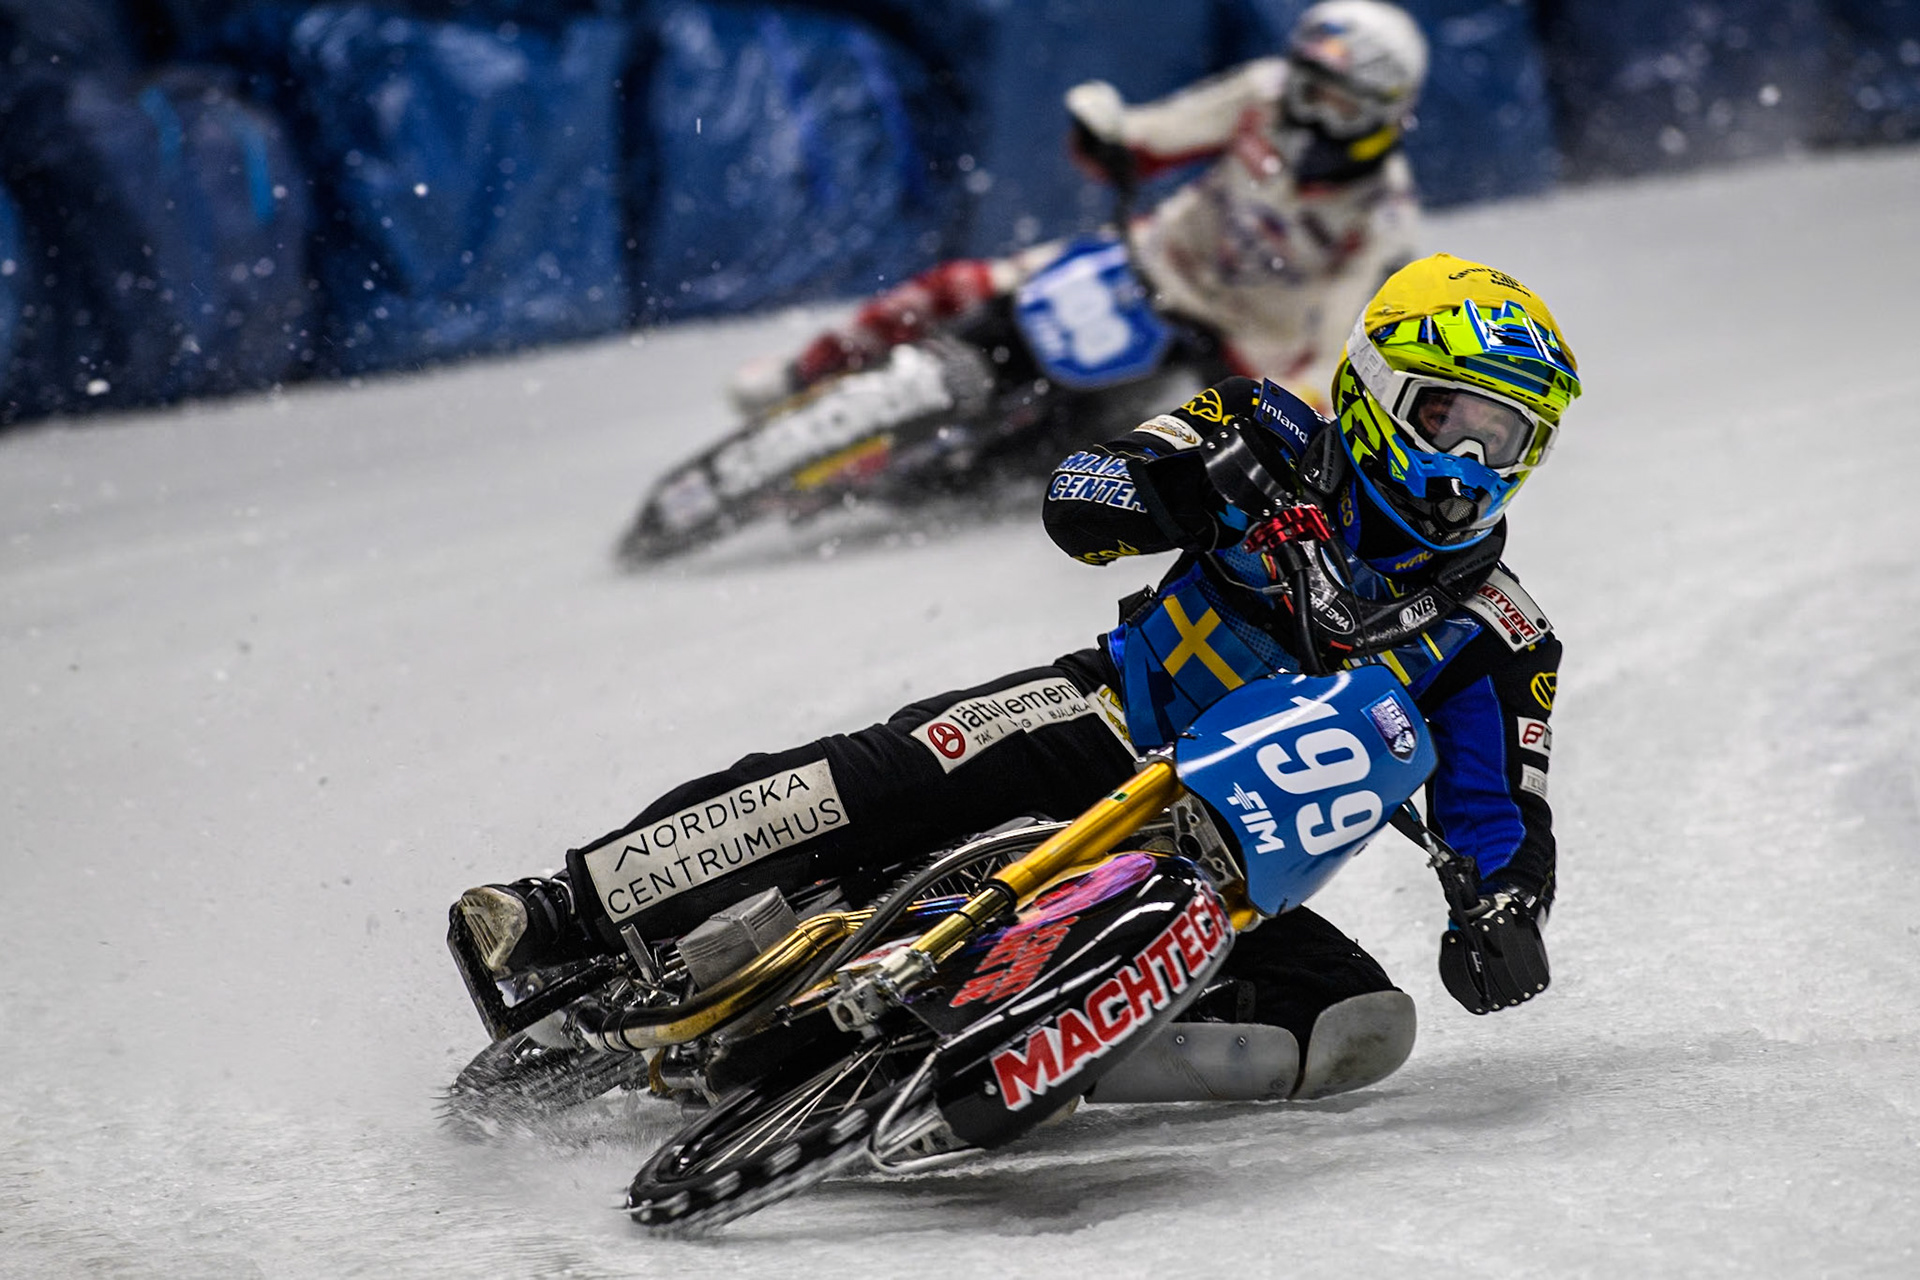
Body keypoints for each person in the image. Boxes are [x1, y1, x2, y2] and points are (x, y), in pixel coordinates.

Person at [458, 251, 1579, 1103]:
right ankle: (566, 906)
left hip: (1227, 864)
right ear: (1383, 384)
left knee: (1356, 1027)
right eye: (1457, 421)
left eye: (1510, 439)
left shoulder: (1500, 628)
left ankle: (986, 1064)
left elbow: (1495, 808)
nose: (1474, 464)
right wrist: (1189, 493)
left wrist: (1504, 905)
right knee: (874, 778)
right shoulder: (1262, 423)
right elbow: (1081, 496)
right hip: (1104, 720)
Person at [726, 0, 1429, 419]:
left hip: (1236, 349)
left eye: (1332, 101)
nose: (1303, 111)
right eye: (1307, 86)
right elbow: (1153, 136)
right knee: (962, 287)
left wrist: (1289, 405)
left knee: (1150, 448)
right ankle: (805, 374)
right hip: (1150, 258)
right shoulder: (1265, 90)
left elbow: (1339, 356)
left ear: (1381, 114)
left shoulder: (1384, 222)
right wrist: (1108, 135)